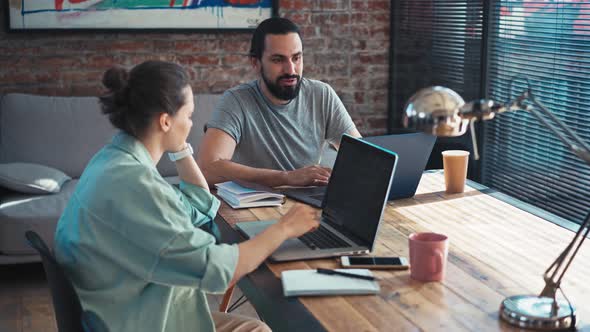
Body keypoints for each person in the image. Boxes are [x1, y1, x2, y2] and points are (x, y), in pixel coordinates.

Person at [54, 60, 319, 332]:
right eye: (189, 115)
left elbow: (197, 203)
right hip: (140, 321)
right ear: (165, 121)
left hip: (129, 308)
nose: (192, 124)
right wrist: (284, 228)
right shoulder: (137, 186)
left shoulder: (114, 160)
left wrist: (179, 146)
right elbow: (219, 272)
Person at [198, 17, 362, 188]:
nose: (290, 70)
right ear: (256, 63)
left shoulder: (322, 94)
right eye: (278, 60)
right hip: (255, 205)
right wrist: (286, 177)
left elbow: (363, 157)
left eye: (296, 58)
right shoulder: (236, 101)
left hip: (308, 203)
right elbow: (208, 169)